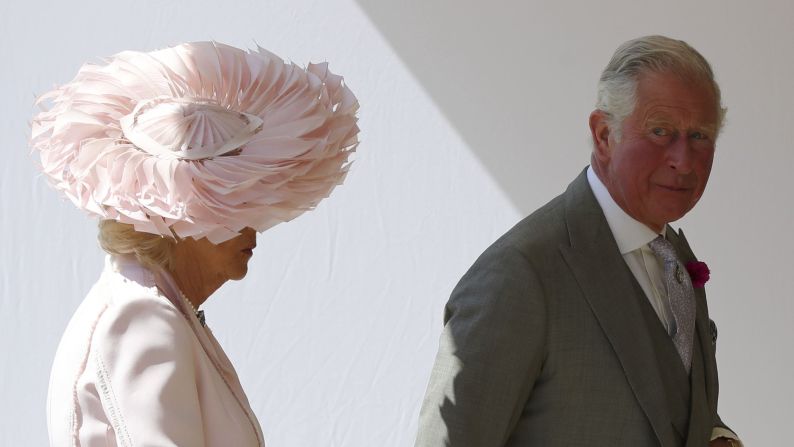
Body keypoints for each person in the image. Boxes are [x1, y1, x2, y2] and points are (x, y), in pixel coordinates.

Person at [414, 35, 741, 446]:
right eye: (661, 131)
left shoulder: (673, 255)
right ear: (604, 135)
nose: (684, 159)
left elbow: (667, 410)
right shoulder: (521, 273)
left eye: (700, 136)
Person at [33, 41, 359, 446]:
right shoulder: (141, 318)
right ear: (180, 223)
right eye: (233, 205)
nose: (254, 226)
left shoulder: (150, 306)